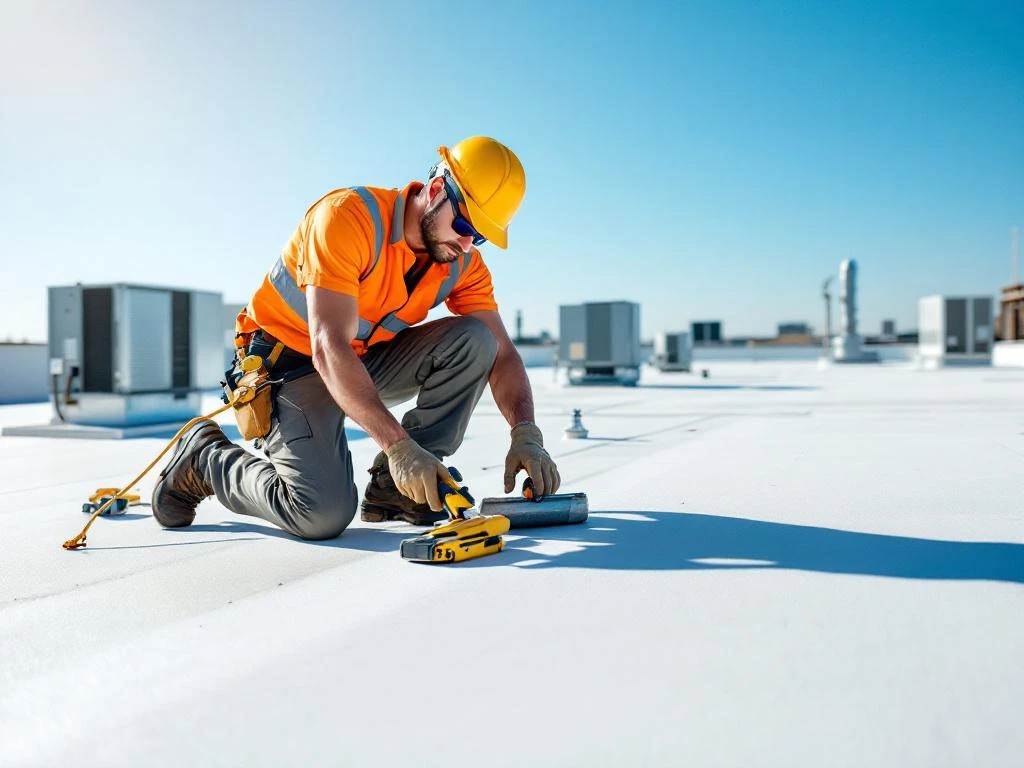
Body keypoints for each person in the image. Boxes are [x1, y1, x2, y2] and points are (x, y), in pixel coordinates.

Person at [151, 136, 561, 540]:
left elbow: (503, 355)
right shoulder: (348, 218)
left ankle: (394, 490)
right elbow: (328, 346)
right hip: (289, 370)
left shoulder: (461, 261)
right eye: (464, 224)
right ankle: (205, 457)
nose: (468, 243)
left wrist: (526, 432)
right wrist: (398, 446)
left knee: (477, 340)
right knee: (320, 514)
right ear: (436, 190)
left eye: (482, 235)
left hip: (359, 363)